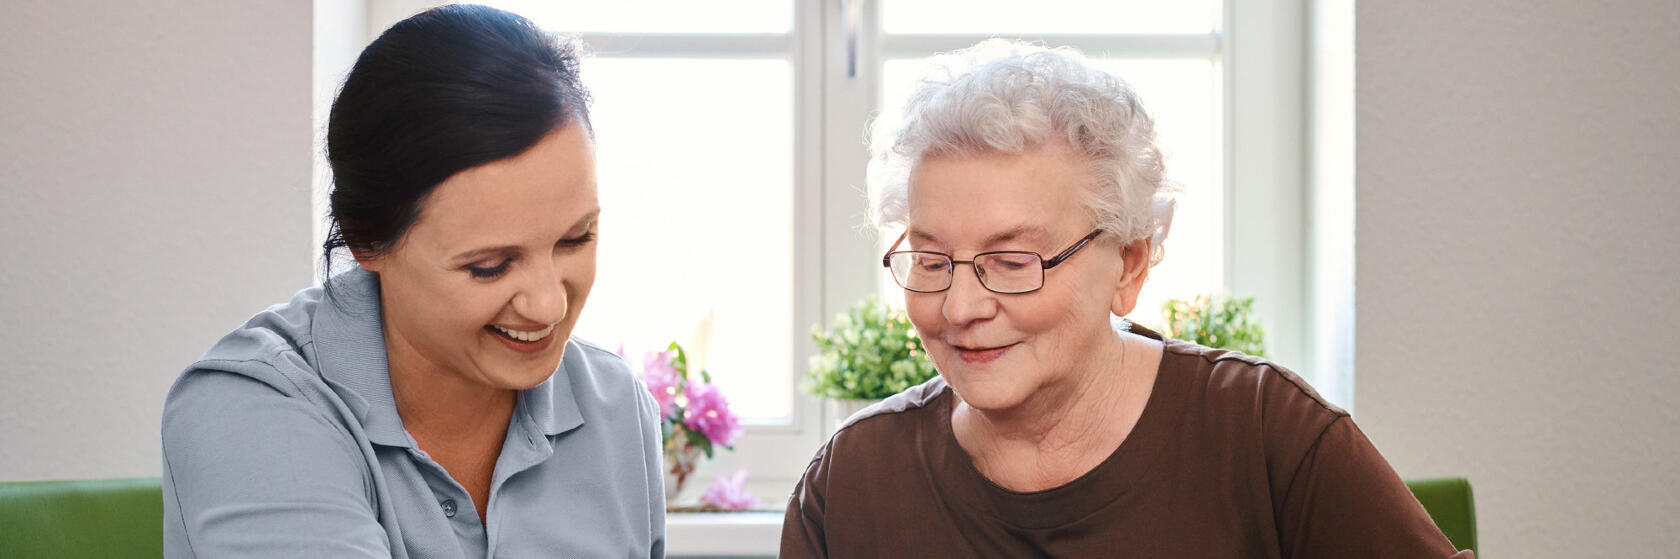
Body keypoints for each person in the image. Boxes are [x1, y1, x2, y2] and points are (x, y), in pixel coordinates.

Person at [780, 40, 1471, 558]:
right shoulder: (851, 483)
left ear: (1129, 264)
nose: (959, 308)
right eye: (932, 261)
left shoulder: (1271, 436)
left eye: (1012, 262)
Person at [160, 5, 664, 557]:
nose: (548, 306)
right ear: (366, 240)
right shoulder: (249, 407)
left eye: (575, 239)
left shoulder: (615, 407)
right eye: (489, 266)